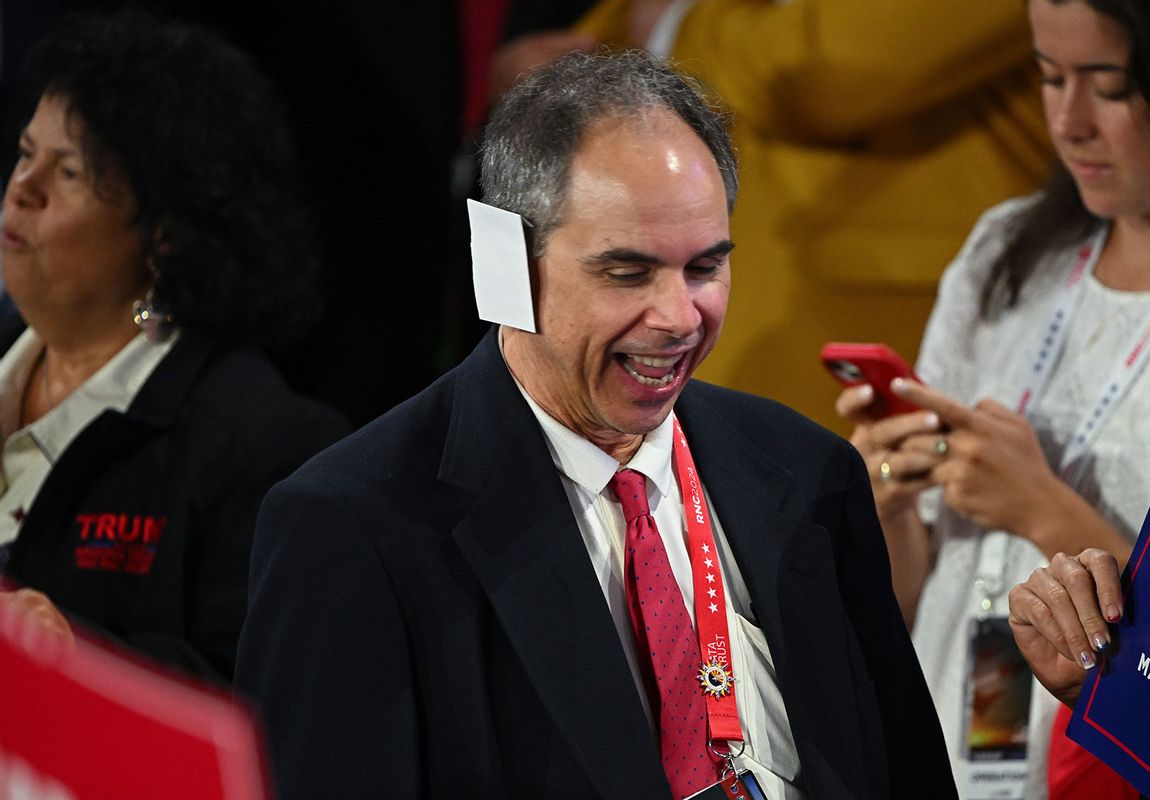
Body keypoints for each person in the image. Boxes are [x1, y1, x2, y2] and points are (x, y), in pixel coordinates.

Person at [234, 50, 954, 799]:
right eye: (628, 273)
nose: (680, 318)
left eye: (705, 268)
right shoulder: (354, 525)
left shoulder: (809, 474)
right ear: (506, 264)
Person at [836, 0, 1150, 796]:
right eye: (1048, 77)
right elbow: (903, 595)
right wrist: (889, 502)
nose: (1068, 122)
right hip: (944, 744)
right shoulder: (1006, 251)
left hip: (1107, 768)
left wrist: (1041, 508)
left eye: (1108, 86)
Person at [0, 12, 348, 685]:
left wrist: (77, 653)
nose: (22, 188)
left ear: (165, 234)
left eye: (68, 172)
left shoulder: (263, 450)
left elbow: (261, 703)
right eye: (23, 153)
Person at [557, 0, 1055, 433]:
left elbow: (837, 64)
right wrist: (579, 53)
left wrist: (674, 33)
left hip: (884, 322)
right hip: (745, 308)